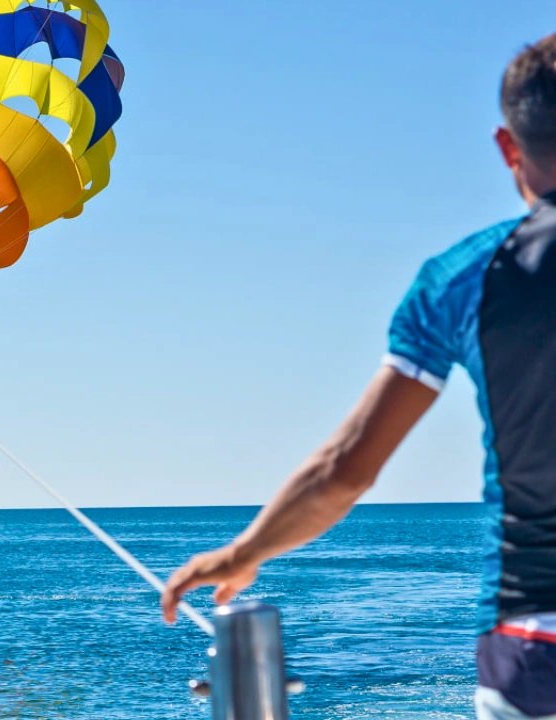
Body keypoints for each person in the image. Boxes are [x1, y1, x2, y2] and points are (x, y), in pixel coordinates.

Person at [160, 35, 556, 720]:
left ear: (506, 146)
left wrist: (245, 552)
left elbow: (345, 469)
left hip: (534, 645)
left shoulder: (462, 279)